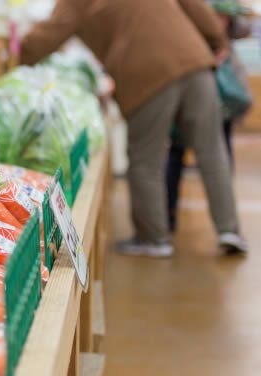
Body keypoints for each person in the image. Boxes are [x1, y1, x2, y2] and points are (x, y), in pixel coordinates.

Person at [20, 0, 247, 257]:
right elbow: (193, 5)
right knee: (213, 150)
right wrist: (218, 41)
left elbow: (52, 32)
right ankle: (230, 230)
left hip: (145, 70)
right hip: (194, 61)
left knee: (145, 159)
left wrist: (20, 55)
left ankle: (153, 237)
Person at [166, 0, 252, 234]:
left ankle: (227, 225)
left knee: (218, 153)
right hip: (191, 98)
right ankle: (169, 215)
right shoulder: (192, 23)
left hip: (219, 102)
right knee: (177, 153)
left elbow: (244, 27)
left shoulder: (222, 27)